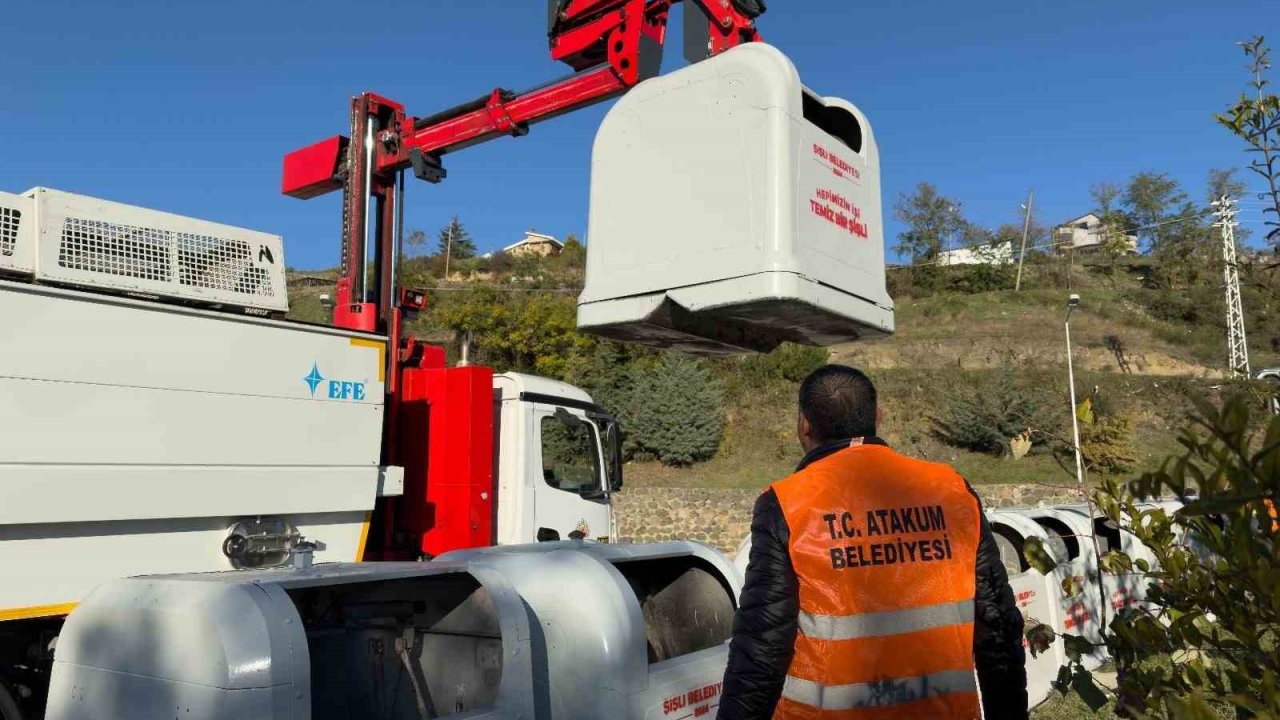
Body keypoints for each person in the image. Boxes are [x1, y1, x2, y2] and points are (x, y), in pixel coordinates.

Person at [717, 365, 1028, 720]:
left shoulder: (787, 504)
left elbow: (762, 645)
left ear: (804, 425)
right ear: (877, 417)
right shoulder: (951, 490)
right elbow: (998, 625)